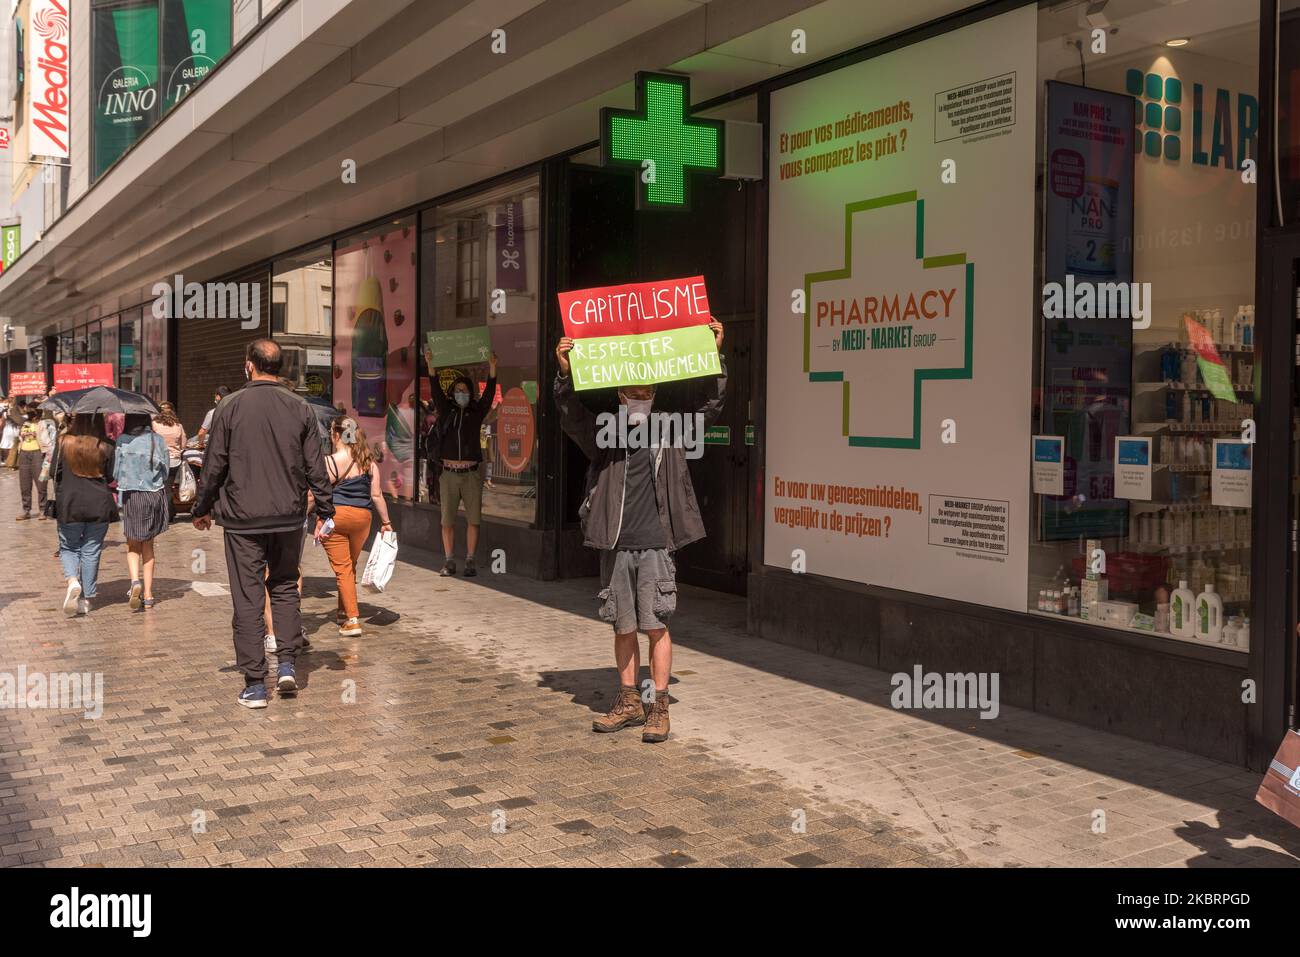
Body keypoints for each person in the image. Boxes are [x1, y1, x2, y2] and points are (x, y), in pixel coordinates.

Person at [553, 321, 726, 744]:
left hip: (655, 546)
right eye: (633, 393)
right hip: (616, 544)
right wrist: (564, 372)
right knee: (622, 626)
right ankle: (629, 701)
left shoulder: (670, 432)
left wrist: (714, 355)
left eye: (647, 394)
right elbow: (571, 417)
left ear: (656, 397)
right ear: (619, 395)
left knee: (656, 626)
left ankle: (659, 706)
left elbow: (710, 408)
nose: (640, 400)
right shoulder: (605, 435)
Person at [192, 340, 335, 710]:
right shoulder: (300, 407)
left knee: (248, 596)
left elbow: (214, 464)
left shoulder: (229, 407)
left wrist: (201, 507)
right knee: (286, 586)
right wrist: (325, 508)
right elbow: (315, 465)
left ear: (249, 367)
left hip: (243, 520)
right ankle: (286, 664)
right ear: (279, 367)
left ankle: (256, 684)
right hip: (288, 516)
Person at [423, 348, 497, 576]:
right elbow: (435, 389)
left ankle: (471, 560)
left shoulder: (477, 412)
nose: (460, 393)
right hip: (448, 474)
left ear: (470, 392)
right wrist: (430, 364)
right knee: (447, 520)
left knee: (474, 519)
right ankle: (449, 560)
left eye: (464, 390)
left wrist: (493, 368)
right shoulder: (447, 411)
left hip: (471, 474)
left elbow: (489, 395)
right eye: (457, 391)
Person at [322, 416, 393, 637]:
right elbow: (377, 495)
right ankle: (344, 611)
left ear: (336, 435)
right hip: (363, 519)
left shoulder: (331, 461)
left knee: (342, 568)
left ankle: (353, 620)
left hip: (338, 517)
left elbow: (320, 494)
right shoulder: (368, 461)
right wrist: (387, 523)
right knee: (349, 565)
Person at [55, 414, 117, 618]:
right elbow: (111, 475)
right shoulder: (106, 445)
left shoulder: (64, 442)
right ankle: (86, 598)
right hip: (99, 503)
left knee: (69, 547)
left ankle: (73, 580)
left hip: (70, 503)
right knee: (91, 550)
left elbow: (56, 473)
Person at [114, 413, 170, 610]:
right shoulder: (158, 440)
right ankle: (148, 595)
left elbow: (116, 472)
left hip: (132, 496)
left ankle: (134, 582)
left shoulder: (122, 441)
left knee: (132, 545)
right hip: (154, 495)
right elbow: (166, 470)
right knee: (149, 545)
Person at [15, 408, 48, 520]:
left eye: (32, 413)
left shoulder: (43, 423)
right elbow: (14, 416)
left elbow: (46, 439)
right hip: (24, 453)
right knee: (25, 484)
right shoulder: (24, 423)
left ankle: (43, 510)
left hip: (37, 454)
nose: (30, 415)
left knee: (41, 484)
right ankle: (26, 510)